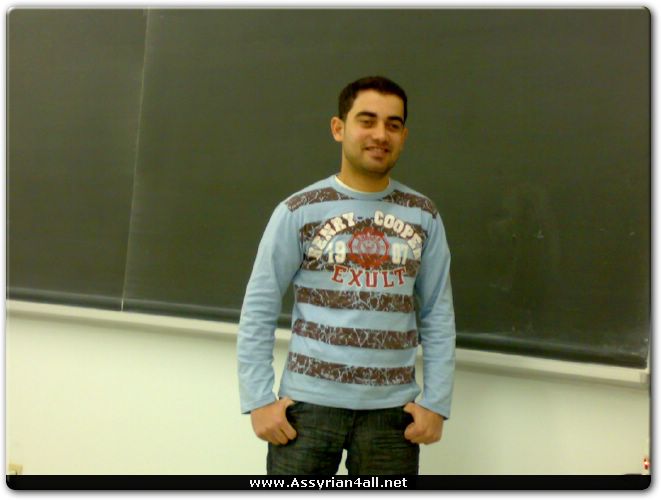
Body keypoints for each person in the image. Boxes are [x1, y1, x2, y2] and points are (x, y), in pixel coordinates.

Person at [237, 76, 455, 475]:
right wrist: (258, 399)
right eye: (366, 121)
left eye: (392, 125)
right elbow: (259, 307)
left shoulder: (424, 215)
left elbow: (437, 313)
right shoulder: (298, 210)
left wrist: (436, 402)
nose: (380, 135)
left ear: (404, 136)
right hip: (306, 411)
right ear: (339, 128)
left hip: (393, 416)